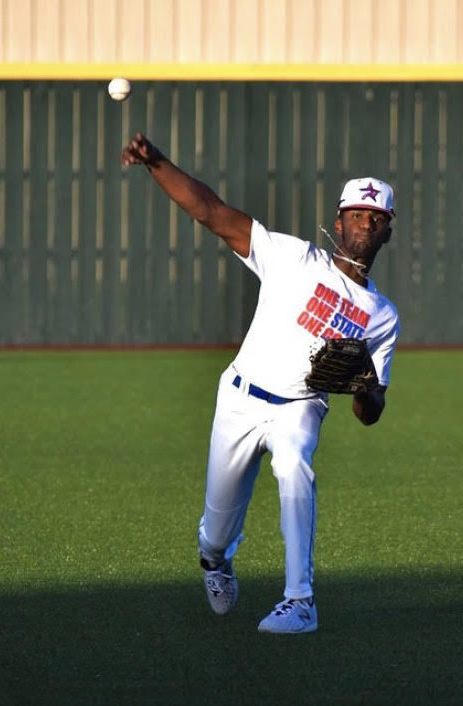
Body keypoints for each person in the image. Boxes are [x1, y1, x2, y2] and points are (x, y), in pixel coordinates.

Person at [121, 132, 400, 634]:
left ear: (387, 232)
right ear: (339, 222)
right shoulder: (293, 257)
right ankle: (215, 561)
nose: (366, 222)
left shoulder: (381, 316)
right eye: (358, 213)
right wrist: (157, 162)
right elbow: (210, 211)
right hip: (241, 399)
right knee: (215, 531)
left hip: (301, 406)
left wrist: (364, 389)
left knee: (294, 463)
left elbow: (371, 410)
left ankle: (301, 600)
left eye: (376, 218)